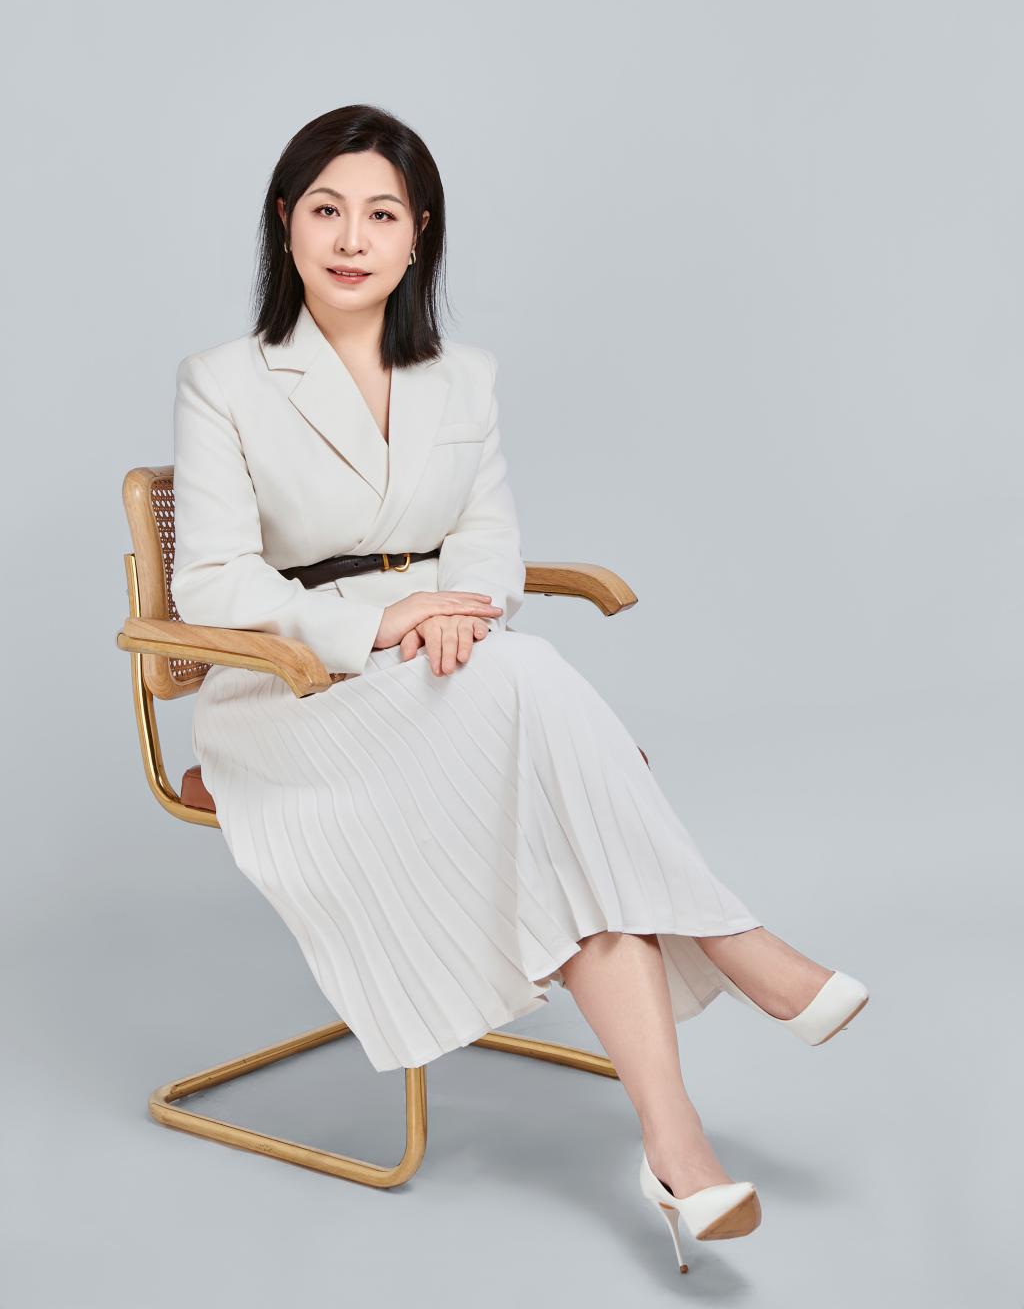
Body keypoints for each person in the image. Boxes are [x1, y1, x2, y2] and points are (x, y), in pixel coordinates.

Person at [170, 102, 869, 1271]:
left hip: (447, 672)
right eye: (327, 210)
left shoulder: (464, 379)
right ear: (285, 222)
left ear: (419, 236)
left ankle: (676, 1148)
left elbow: (489, 542)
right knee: (538, 701)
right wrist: (381, 622)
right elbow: (211, 582)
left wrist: (461, 611)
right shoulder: (224, 381)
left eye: (381, 215)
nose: (351, 238)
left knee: (546, 774)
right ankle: (735, 940)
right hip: (293, 693)